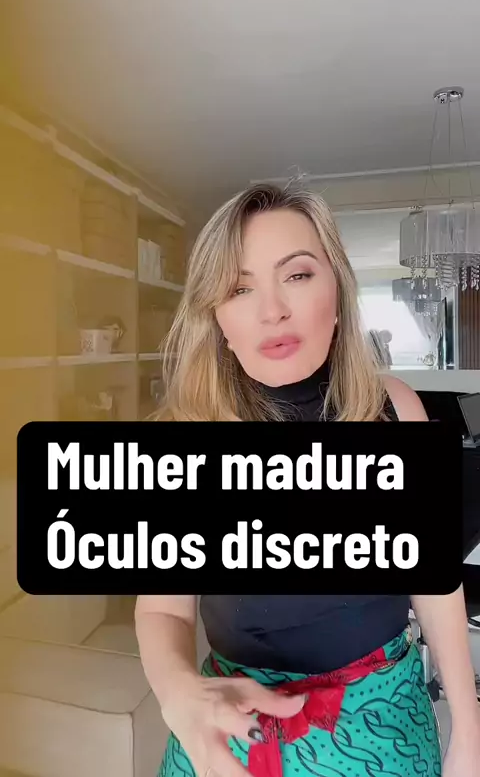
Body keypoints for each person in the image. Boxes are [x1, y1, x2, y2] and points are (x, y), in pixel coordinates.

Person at [135, 181, 480, 777]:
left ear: (337, 293)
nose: (272, 310)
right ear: (218, 319)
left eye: (296, 275)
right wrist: (178, 694)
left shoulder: (395, 410)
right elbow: (164, 610)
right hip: (233, 736)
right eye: (239, 287)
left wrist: (469, 734)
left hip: (384, 726)